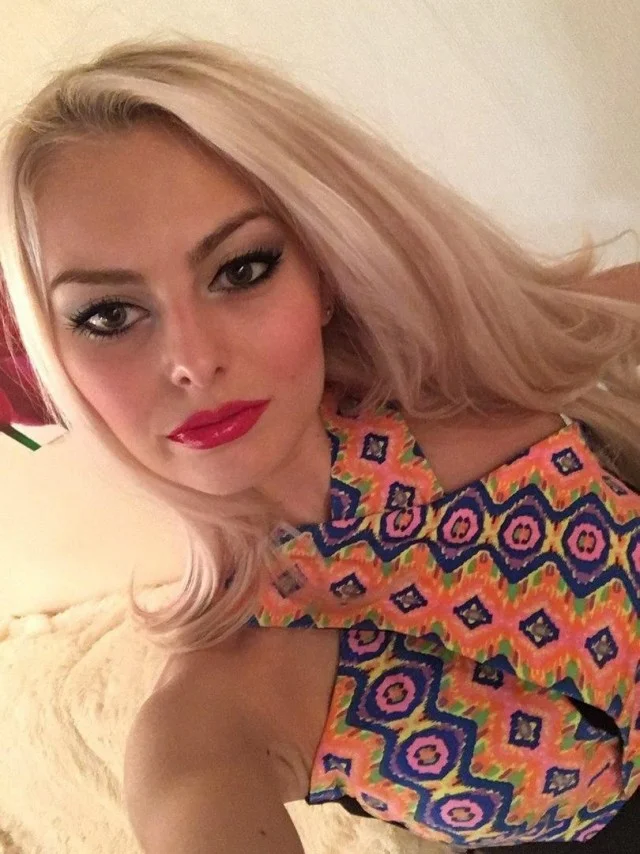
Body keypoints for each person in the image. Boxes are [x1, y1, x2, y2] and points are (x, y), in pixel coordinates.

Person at [0, 37, 639, 854]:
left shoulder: (477, 378)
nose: (193, 360)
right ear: (60, 364)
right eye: (109, 315)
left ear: (321, 275)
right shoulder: (208, 719)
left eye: (241, 269)